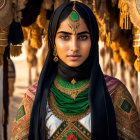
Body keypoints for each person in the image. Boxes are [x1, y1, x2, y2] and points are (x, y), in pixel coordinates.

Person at [11, 1, 140, 140]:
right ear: (53, 42)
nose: (74, 46)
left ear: (93, 40)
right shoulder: (33, 96)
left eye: (83, 37)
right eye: (65, 37)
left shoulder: (115, 93)